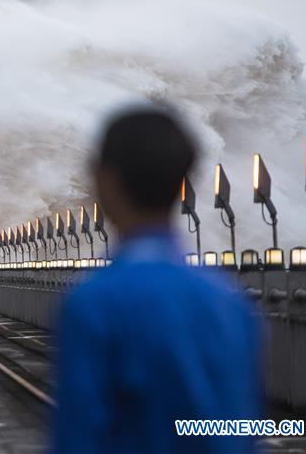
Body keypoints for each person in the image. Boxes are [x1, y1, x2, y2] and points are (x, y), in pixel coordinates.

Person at [52, 105, 262, 454]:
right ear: (182, 182)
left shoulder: (95, 300)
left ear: (106, 179)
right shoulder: (229, 297)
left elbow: (80, 433)